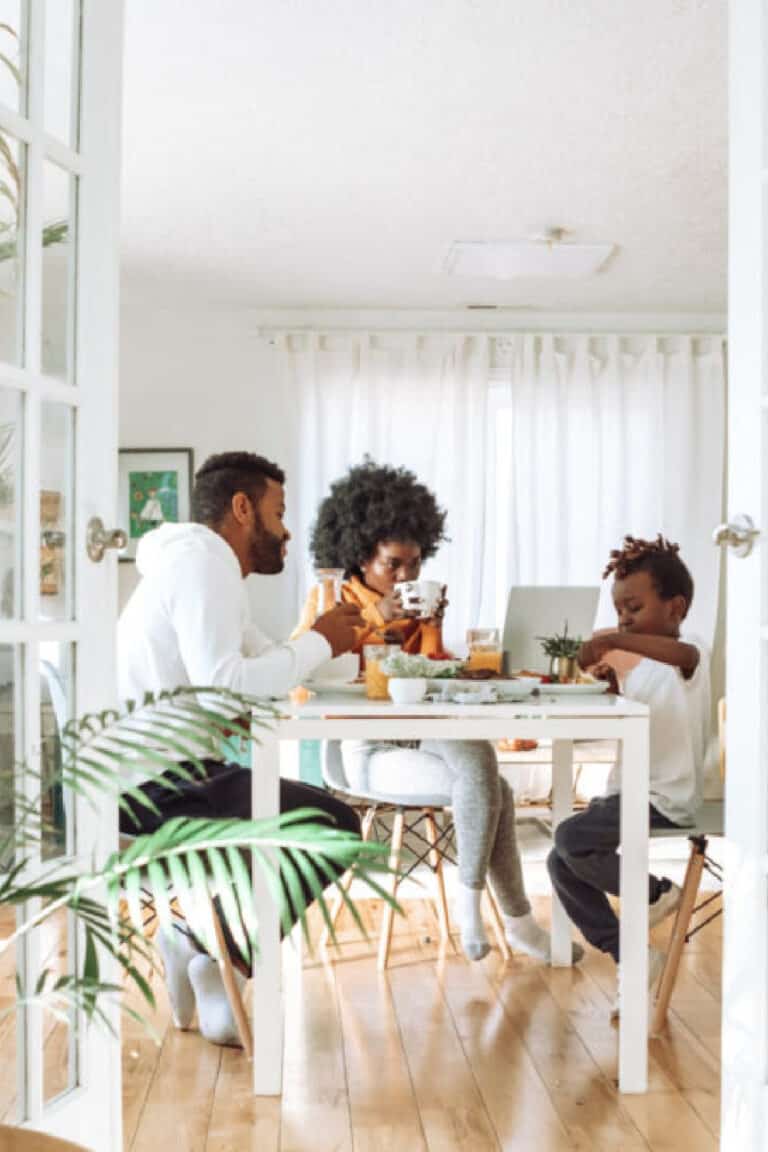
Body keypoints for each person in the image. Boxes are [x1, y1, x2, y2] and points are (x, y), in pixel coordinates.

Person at [118, 451, 364, 1045]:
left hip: (165, 773)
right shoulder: (205, 564)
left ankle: (200, 946)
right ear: (242, 508)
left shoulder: (200, 566)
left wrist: (318, 645)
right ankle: (208, 952)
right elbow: (227, 686)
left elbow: (255, 662)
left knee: (316, 814)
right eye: (278, 513)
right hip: (148, 788)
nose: (284, 532)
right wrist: (318, 641)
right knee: (333, 826)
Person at [294, 459, 557, 964]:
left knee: (481, 759)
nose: (406, 575)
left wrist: (432, 626)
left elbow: (426, 673)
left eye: (414, 564)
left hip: (422, 732)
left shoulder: (415, 601)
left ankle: (477, 911)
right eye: (393, 563)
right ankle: (505, 918)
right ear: (359, 555)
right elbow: (306, 675)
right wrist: (374, 616)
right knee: (493, 788)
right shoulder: (329, 600)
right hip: (363, 747)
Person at [546, 535, 714, 1017]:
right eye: (619, 611)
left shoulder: (691, 653)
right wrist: (610, 682)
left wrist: (616, 641)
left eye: (634, 608)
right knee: (560, 862)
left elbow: (680, 660)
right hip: (625, 793)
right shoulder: (643, 670)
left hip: (664, 796)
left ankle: (657, 892)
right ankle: (632, 955)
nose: (623, 619)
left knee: (571, 839)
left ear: (676, 608)